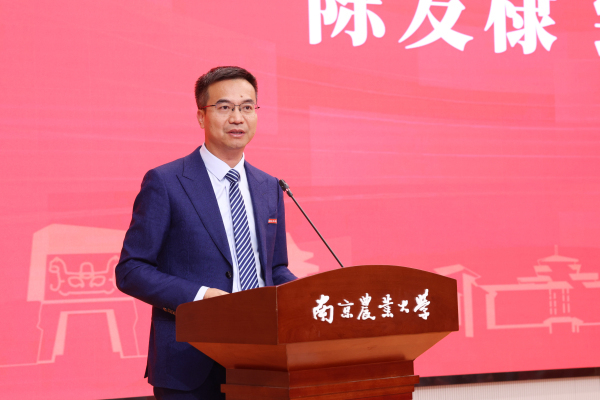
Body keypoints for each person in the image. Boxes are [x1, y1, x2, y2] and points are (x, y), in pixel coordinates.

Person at [115, 66, 297, 400]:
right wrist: (202, 297)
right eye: (225, 107)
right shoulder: (166, 182)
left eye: (247, 107)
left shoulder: (269, 186)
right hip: (190, 360)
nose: (237, 118)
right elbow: (131, 270)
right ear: (202, 116)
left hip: (263, 358)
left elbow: (274, 268)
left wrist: (306, 295)